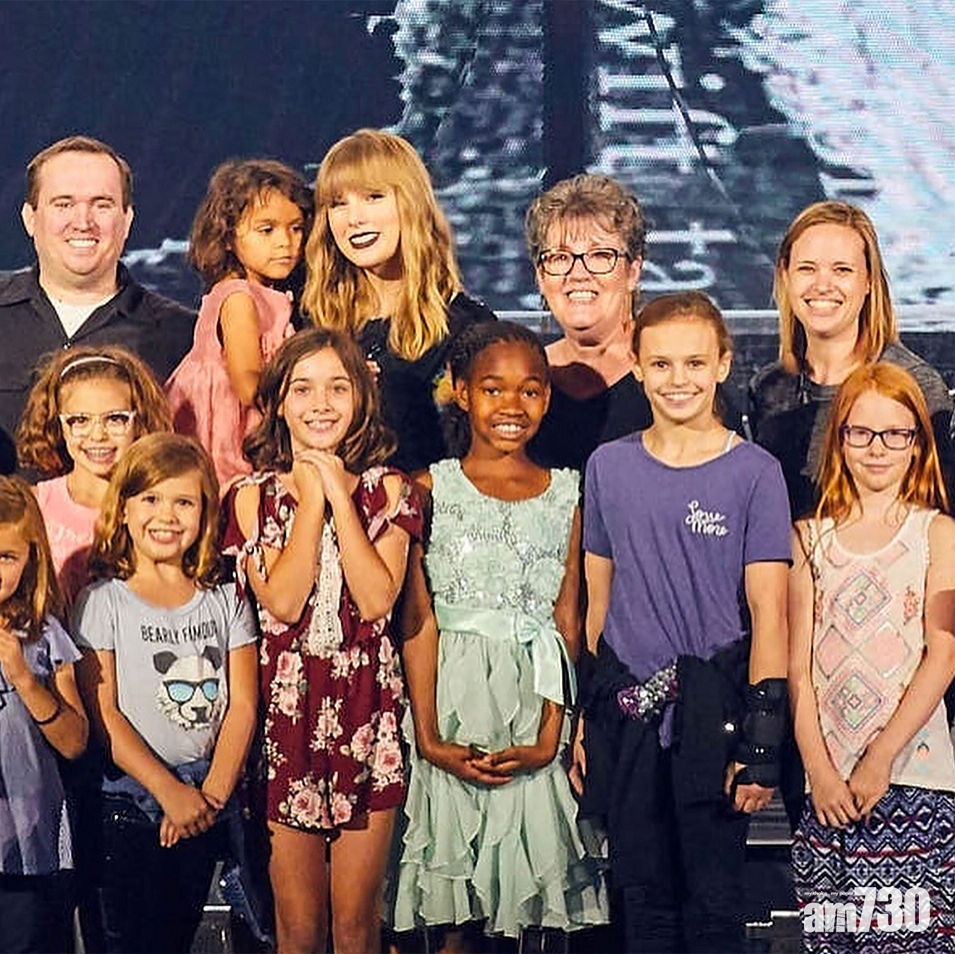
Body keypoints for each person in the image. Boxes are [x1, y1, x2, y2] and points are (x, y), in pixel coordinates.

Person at [576, 291, 792, 952]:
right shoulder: (608, 467)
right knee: (642, 902)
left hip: (713, 717)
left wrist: (761, 745)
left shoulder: (755, 473)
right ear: (637, 366)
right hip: (630, 715)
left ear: (723, 364)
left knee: (714, 903)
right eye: (662, 364)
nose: (678, 380)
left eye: (695, 363)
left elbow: (770, 612)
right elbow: (597, 601)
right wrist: (590, 717)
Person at [392, 321, 608, 947]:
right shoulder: (428, 489)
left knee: (530, 904)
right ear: (461, 391)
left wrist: (552, 736)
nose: (512, 405)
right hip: (451, 709)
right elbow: (417, 620)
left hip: (532, 711)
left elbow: (567, 621)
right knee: (452, 912)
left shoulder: (567, 494)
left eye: (530, 390)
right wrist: (428, 736)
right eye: (493, 389)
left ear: (547, 397)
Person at [223, 328, 422, 954]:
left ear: (361, 398)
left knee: (357, 925)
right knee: (299, 927)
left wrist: (340, 490)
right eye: (303, 389)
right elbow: (282, 602)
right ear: (279, 403)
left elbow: (377, 598)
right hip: (286, 717)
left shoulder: (390, 491)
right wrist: (311, 503)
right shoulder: (251, 498)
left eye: (338, 388)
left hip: (368, 712)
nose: (321, 404)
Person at [788, 362, 955, 952]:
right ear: (840, 439)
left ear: (916, 444)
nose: (877, 448)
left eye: (894, 434)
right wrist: (819, 772)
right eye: (861, 432)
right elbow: (797, 670)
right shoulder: (807, 540)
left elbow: (944, 655)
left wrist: (880, 759)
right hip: (828, 789)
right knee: (833, 938)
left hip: (913, 778)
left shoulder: (938, 535)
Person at [73, 434, 258, 954]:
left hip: (205, 799)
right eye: (151, 499)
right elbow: (103, 713)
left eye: (184, 502)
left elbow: (243, 704)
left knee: (178, 937)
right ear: (124, 509)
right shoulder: (101, 602)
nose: (167, 516)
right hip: (129, 803)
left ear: (205, 512)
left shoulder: (224, 598)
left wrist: (207, 799)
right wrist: (168, 793)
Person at [0, 135, 195, 478]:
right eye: (63, 204)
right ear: (30, 218)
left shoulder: (181, 335)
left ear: (127, 220)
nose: (83, 221)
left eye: (102, 204)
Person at [302, 128, 495, 474]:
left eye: (373, 197)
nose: (354, 218)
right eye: (338, 204)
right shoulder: (310, 323)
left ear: (411, 204)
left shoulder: (466, 329)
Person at [748, 200, 954, 520]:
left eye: (842, 270)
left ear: (869, 281)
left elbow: (941, 515)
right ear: (785, 276)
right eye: (807, 269)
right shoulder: (768, 389)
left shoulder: (916, 385)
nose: (822, 285)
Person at [0, 474, 88, 953]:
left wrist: (26, 680)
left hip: (25, 848)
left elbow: (74, 742)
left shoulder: (44, 634)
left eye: (6, 557)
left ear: (31, 558)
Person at [166, 159, 313, 489]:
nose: (285, 242)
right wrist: (311, 396)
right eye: (267, 230)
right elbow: (247, 385)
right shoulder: (239, 298)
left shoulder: (272, 295)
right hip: (228, 442)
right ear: (228, 236)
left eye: (296, 228)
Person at [16, 346, 172, 604]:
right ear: (58, 424)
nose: (98, 435)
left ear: (139, 421)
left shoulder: (157, 508)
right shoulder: (33, 506)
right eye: (80, 420)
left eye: (115, 419)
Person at [524, 173, 653, 471]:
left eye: (599, 255)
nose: (578, 274)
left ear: (633, 272)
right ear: (540, 276)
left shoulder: (673, 375)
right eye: (560, 257)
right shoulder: (519, 381)